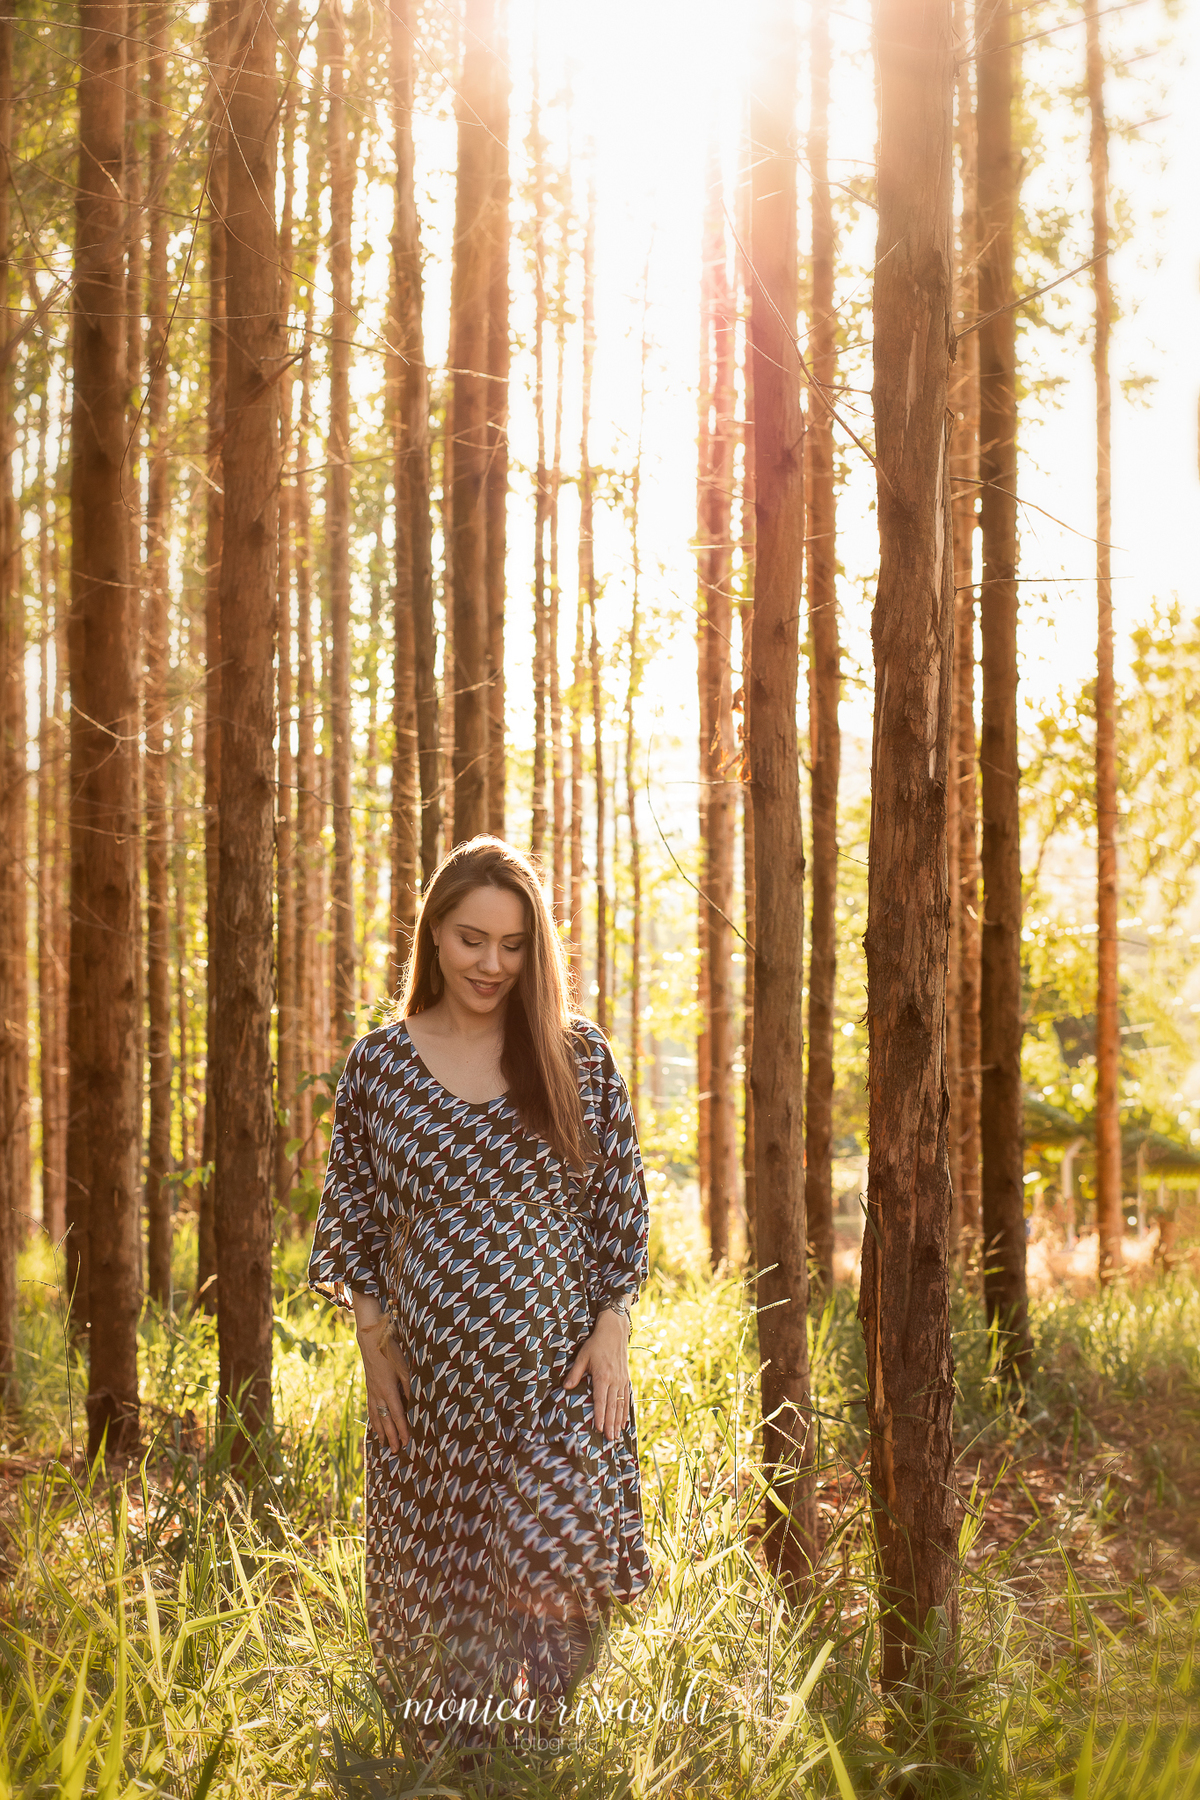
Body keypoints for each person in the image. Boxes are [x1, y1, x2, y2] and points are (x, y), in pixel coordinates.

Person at [307, 836, 651, 1748]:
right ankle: (457, 1760)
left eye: (513, 945)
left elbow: (620, 1207)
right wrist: (373, 1348)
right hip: (431, 1402)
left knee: (557, 1577)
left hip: (556, 1388)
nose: (491, 965)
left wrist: (613, 1323)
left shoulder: (574, 1056)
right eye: (471, 940)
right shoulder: (379, 1067)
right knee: (443, 1623)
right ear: (432, 936)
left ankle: (541, 1751)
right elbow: (355, 1224)